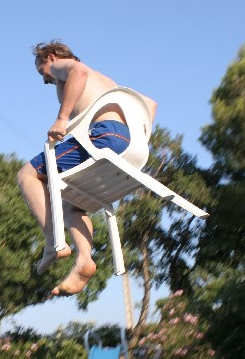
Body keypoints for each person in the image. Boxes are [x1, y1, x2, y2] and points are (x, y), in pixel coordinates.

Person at [17, 41, 157, 297]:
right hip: (125, 144)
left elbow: (77, 72)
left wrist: (62, 118)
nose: (45, 81)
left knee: (26, 174)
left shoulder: (66, 66)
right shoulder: (108, 81)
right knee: (71, 201)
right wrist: (139, 142)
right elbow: (150, 103)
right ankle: (84, 260)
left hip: (101, 137)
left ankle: (52, 240)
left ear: (50, 58)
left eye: (42, 72)